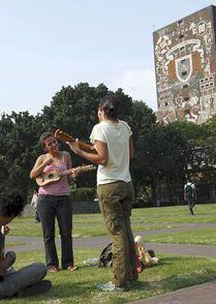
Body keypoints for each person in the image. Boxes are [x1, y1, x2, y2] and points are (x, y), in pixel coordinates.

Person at [67, 94, 138, 292]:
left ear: (101, 111)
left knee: (117, 234)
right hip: (126, 183)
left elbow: (102, 158)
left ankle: (119, 282)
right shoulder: (125, 126)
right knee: (127, 230)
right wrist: (83, 145)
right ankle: (132, 275)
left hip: (108, 185)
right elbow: (129, 154)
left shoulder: (99, 128)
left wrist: (78, 152)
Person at [30, 132, 77, 273]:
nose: (53, 145)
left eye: (55, 142)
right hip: (45, 199)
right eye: (49, 144)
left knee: (66, 232)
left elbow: (69, 179)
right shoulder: (42, 158)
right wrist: (46, 163)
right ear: (45, 147)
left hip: (63, 198)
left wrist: (74, 176)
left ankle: (68, 263)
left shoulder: (66, 156)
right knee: (48, 234)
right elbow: (32, 175)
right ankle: (52, 265)